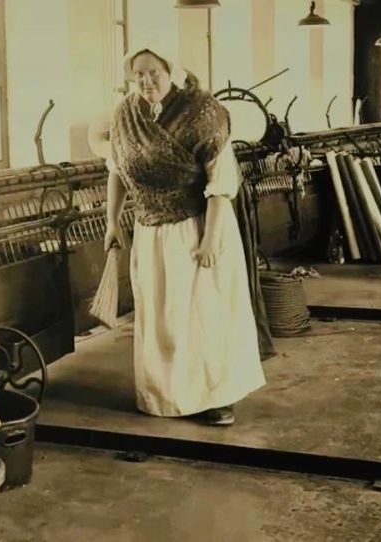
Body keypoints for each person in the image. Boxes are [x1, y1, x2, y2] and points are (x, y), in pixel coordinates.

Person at [101, 44, 266, 426]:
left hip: (195, 229)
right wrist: (112, 222)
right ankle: (167, 396)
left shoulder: (202, 111)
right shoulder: (125, 115)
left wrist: (210, 239)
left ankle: (216, 398)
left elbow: (221, 183)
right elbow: (116, 171)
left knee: (200, 315)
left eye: (153, 72)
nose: (146, 81)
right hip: (149, 232)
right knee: (162, 320)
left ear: (170, 69)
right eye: (138, 74)